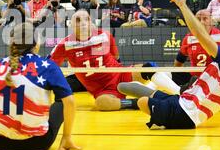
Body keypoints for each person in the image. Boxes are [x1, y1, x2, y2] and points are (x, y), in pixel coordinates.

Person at [118, 0, 220, 129]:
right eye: (199, 19)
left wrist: (183, 5)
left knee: (142, 101)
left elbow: (199, 34)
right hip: (187, 96)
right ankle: (156, 96)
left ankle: (138, 104)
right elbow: (179, 60)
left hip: (186, 113)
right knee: (129, 85)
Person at [0, 23, 81, 150]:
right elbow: (70, 102)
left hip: (1, 143)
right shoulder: (47, 66)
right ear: (36, 43)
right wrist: (66, 136)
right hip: (39, 143)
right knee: (61, 101)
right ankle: (67, 140)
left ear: (12, 43)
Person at [49, 10, 180, 111]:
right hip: (102, 90)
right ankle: (135, 103)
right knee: (101, 103)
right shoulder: (65, 44)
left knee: (149, 67)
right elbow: (51, 67)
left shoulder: (104, 35)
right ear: (71, 25)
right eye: (78, 20)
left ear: (91, 22)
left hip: (120, 75)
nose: (83, 22)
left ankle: (179, 93)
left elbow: (117, 58)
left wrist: (129, 72)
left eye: (86, 19)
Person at [173, 9, 220, 87]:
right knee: (171, 73)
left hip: (215, 79)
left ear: (211, 21)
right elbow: (178, 62)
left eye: (205, 18)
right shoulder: (188, 38)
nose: (201, 22)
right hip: (194, 79)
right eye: (198, 19)